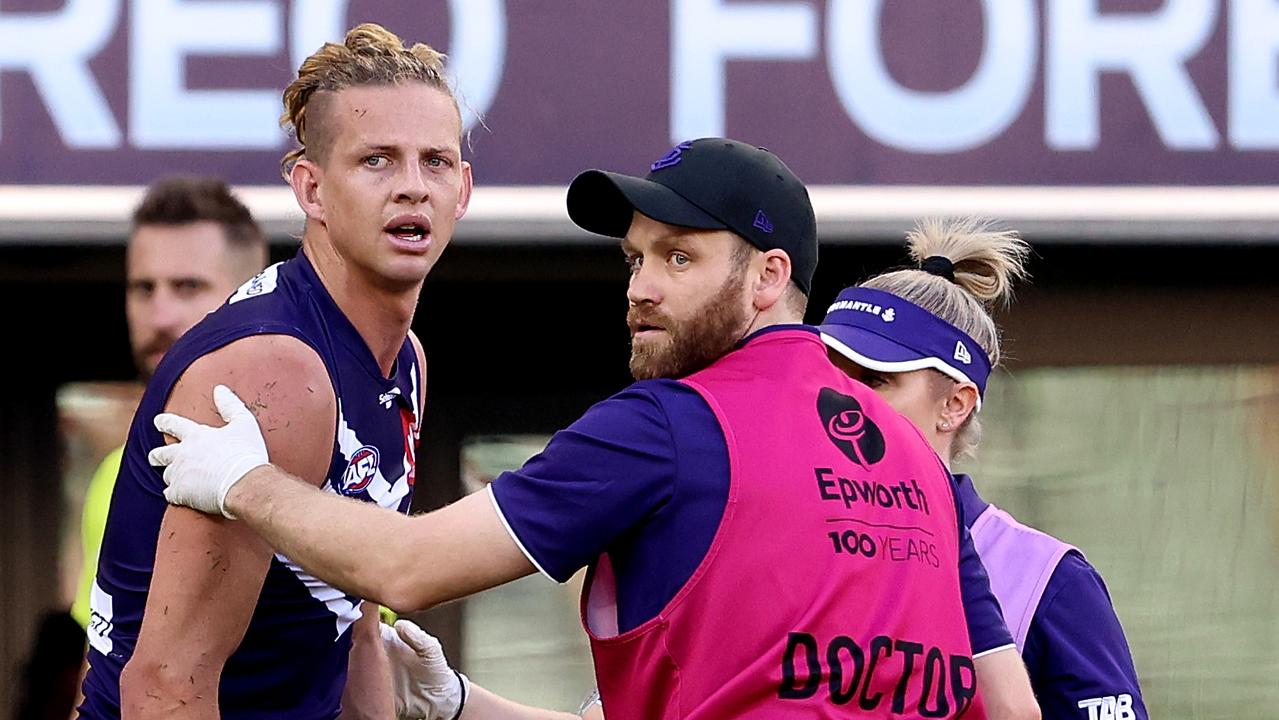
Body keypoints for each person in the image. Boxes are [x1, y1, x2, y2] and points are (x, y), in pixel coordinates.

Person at [150, 138, 1038, 718]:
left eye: (678, 258)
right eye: (635, 258)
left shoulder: (667, 426)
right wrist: (459, 703)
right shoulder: (919, 470)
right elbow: (1011, 712)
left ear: (769, 277)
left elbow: (406, 567)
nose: (640, 286)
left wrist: (244, 481)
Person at [78, 23, 471, 718]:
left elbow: (356, 636)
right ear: (311, 190)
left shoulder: (406, 359)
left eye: (435, 161)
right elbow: (166, 684)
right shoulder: (278, 372)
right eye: (376, 160)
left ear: (463, 190)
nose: (412, 187)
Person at [817, 218, 1147, 719]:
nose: (844, 401)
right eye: (829, 376)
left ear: (955, 404)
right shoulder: (780, 540)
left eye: (876, 380)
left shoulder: (1045, 577)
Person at [71, 175, 269, 633]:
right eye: (144, 288)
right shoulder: (116, 473)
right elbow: (103, 659)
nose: (159, 317)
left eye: (187, 287)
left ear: (249, 296)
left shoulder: (319, 447)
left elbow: (360, 655)